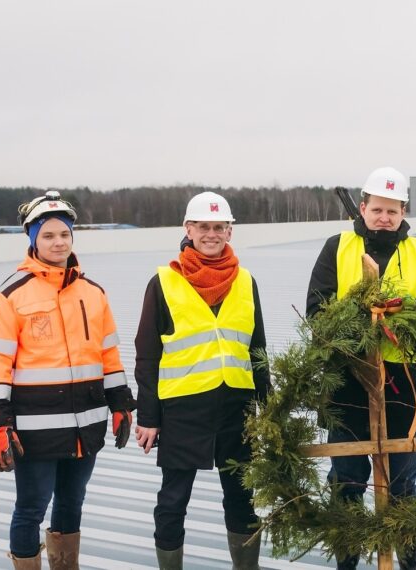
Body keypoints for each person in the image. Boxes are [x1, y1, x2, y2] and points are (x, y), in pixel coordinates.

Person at [0, 190, 135, 570]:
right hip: (35, 431)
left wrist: (121, 405)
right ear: (32, 239)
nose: (58, 242)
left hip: (85, 425)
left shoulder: (94, 293)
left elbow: (108, 354)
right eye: (47, 235)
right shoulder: (8, 295)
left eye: (64, 234)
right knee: (30, 508)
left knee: (71, 503)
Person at [305, 166, 416, 570]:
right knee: (346, 478)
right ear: (363, 207)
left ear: (404, 212)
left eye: (393, 210)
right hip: (346, 380)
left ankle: (408, 559)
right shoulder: (337, 247)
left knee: (402, 481)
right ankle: (347, 560)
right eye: (377, 209)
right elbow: (317, 310)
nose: (384, 218)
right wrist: (359, 326)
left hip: (401, 383)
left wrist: (392, 319)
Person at [133, 191, 270, 570]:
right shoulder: (163, 282)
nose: (211, 234)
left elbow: (258, 348)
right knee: (173, 500)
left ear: (230, 231)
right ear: (188, 229)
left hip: (236, 409)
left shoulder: (246, 281)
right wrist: (148, 417)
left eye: (219, 227)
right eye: (204, 227)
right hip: (183, 409)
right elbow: (147, 355)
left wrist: (269, 408)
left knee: (242, 497)